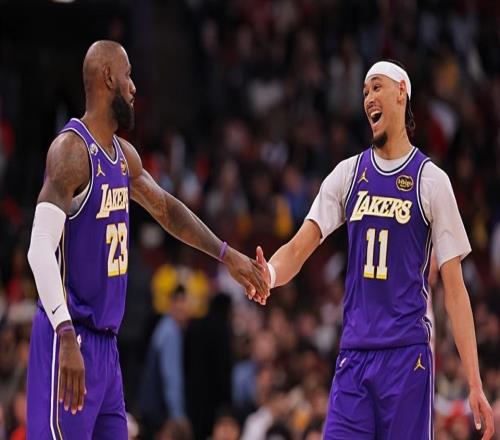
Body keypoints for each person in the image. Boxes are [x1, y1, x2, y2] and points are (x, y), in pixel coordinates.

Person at [26, 40, 267, 439]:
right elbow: (39, 249)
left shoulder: (123, 157)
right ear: (108, 78)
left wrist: (226, 255)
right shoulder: (70, 151)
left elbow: (167, 210)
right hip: (69, 336)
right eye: (128, 75)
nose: (134, 87)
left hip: (107, 347)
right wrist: (65, 333)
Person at [253, 60, 494, 439]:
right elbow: (298, 248)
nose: (368, 98)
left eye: (377, 87)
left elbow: (455, 290)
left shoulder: (431, 181)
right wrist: (268, 274)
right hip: (354, 354)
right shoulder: (347, 174)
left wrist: (475, 382)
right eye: (365, 91)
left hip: (407, 355)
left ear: (402, 92)